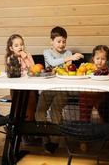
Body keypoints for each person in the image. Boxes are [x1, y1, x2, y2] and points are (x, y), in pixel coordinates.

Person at [35, 26, 83, 154]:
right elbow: (52, 62)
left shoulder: (68, 53)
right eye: (59, 41)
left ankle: (55, 141)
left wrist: (71, 60)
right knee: (40, 111)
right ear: (52, 41)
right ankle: (46, 139)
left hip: (62, 89)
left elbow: (68, 70)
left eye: (64, 41)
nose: (62, 44)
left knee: (55, 110)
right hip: (48, 88)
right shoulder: (47, 52)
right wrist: (70, 58)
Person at [79, 45, 109, 122]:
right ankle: (84, 127)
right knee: (84, 117)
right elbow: (80, 78)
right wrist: (82, 70)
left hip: (101, 96)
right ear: (93, 58)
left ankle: (106, 128)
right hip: (86, 95)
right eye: (97, 58)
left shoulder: (107, 71)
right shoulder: (87, 68)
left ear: (107, 60)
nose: (100, 61)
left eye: (103, 59)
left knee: (105, 116)